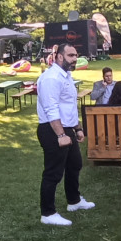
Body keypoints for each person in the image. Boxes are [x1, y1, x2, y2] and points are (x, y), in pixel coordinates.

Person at [36, 43, 94, 226]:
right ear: (59, 56)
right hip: (52, 130)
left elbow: (69, 106)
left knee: (75, 164)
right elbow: (51, 109)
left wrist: (77, 128)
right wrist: (61, 135)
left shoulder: (66, 76)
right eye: (71, 55)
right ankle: (48, 213)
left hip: (66, 128)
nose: (75, 59)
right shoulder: (51, 78)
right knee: (53, 173)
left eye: (76, 55)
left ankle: (74, 201)